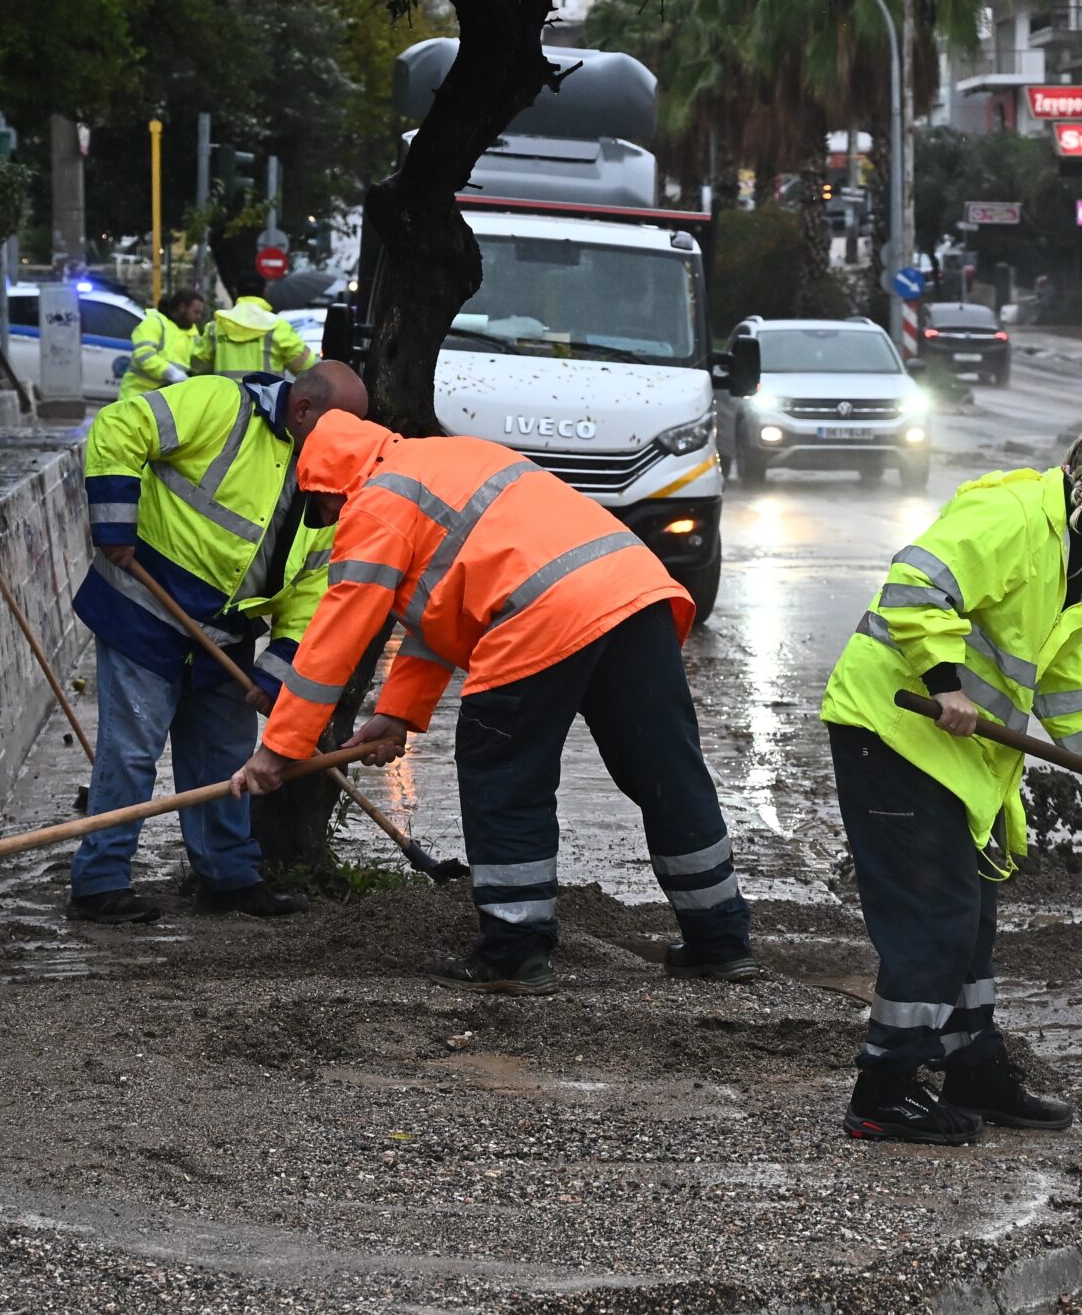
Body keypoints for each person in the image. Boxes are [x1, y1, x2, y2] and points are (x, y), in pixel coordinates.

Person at [227, 412, 758, 995]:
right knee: (667, 773)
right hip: (635, 595)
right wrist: (398, 713)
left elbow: (335, 639)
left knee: (504, 775)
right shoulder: (452, 459)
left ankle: (514, 950)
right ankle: (721, 940)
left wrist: (279, 749)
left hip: (543, 612)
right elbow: (439, 612)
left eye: (322, 512)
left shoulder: (373, 504)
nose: (328, 524)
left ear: (328, 488)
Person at [819, 418, 1082, 1144]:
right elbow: (917, 579)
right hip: (892, 732)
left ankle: (972, 1067)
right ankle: (883, 1089)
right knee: (934, 919)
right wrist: (943, 680)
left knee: (970, 924)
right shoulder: (1012, 516)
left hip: (952, 760)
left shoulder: (1081, 565)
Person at [67, 360, 369, 924]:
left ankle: (228, 879)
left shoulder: (326, 477)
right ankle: (99, 884)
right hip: (146, 611)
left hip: (224, 637)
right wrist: (114, 523)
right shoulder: (219, 404)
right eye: (337, 430)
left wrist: (272, 673)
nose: (344, 447)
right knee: (131, 753)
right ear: (302, 410)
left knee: (226, 760)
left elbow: (309, 591)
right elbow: (117, 425)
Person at [201, 292, 313, 378]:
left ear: (235, 291)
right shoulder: (278, 326)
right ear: (265, 292)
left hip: (225, 400)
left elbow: (199, 367)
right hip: (267, 402)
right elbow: (305, 366)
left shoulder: (215, 327)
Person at [124, 289, 207, 396]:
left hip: (166, 398)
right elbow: (143, 356)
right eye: (196, 312)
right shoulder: (154, 323)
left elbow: (197, 362)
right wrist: (171, 373)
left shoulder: (193, 334)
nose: (198, 317)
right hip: (137, 393)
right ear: (182, 308)